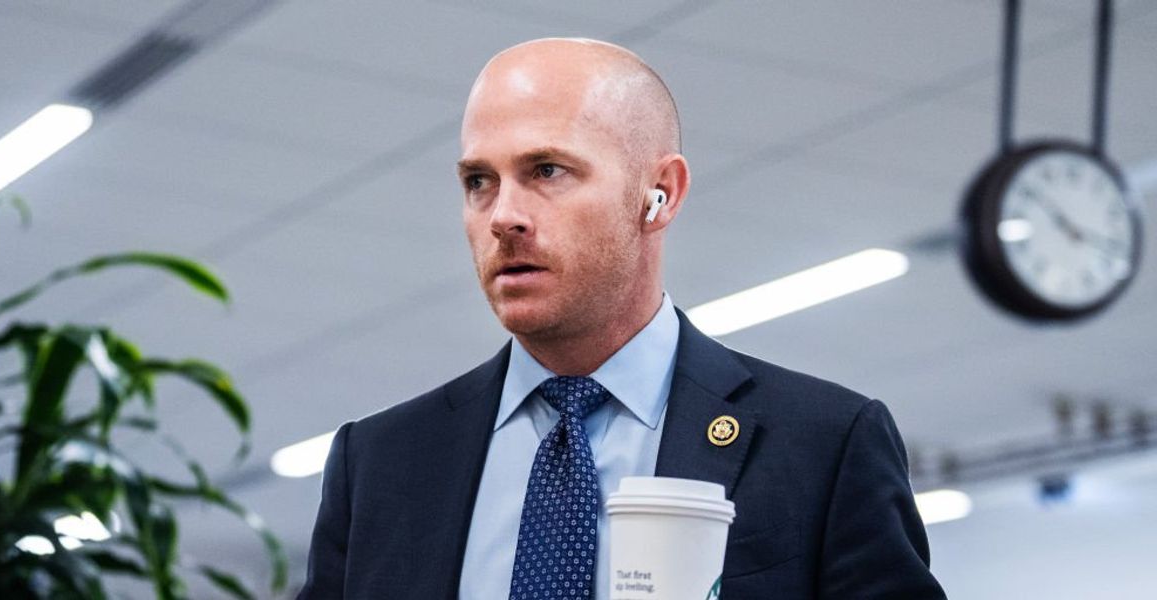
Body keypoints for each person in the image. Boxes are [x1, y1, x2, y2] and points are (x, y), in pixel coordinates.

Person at [299, 38, 946, 599]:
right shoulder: (380, 463)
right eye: (478, 182)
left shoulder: (822, 445)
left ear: (660, 194)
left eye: (547, 170)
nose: (503, 216)